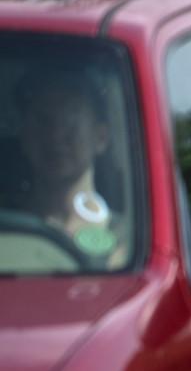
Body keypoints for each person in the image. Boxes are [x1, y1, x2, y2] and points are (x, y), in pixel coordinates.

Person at [10, 67, 126, 264]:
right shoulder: (7, 228)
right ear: (24, 135)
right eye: (42, 121)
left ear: (101, 137)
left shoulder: (130, 243)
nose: (55, 136)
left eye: (70, 120)